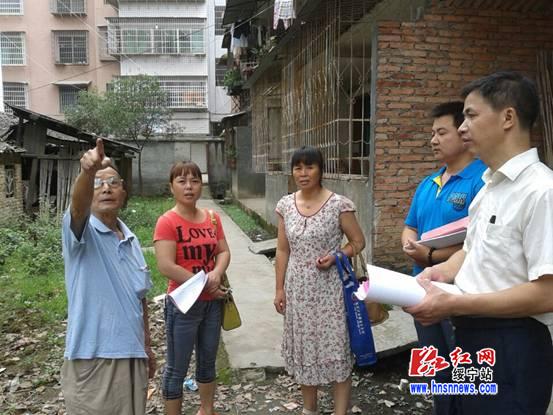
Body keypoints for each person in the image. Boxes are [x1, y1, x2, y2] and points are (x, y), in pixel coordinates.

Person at [406, 71, 553, 414]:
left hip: (513, 341)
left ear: (507, 118)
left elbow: (547, 293)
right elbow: (471, 250)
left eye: (471, 115)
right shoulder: (489, 187)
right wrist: (440, 273)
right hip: (471, 335)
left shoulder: (541, 191)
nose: (462, 128)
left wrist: (455, 304)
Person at [401, 102, 486, 415]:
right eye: (432, 133)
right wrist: (409, 243)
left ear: (463, 133)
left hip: (461, 291)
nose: (433, 140)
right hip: (423, 288)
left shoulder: (482, 181)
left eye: (441, 133)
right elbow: (411, 225)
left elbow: (480, 241)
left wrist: (432, 255)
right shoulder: (429, 183)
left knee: (466, 369)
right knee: (436, 364)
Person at [61, 138, 155, 415]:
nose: (106, 188)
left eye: (113, 182)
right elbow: (77, 208)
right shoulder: (80, 233)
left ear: (124, 192)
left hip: (133, 355)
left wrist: (147, 347)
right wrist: (86, 173)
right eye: (97, 184)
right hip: (93, 358)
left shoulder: (131, 239)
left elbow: (140, 299)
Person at [273, 146, 366, 415]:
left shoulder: (339, 205)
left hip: (331, 290)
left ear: (321, 170)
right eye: (298, 167)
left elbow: (358, 242)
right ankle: (309, 409)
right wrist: (279, 288)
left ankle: (340, 411)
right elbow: (282, 250)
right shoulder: (285, 205)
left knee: (336, 346)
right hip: (298, 289)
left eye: (310, 167)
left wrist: (337, 255)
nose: (303, 173)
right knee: (305, 347)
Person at [154, 161, 230, 415]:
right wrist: (205, 283)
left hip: (212, 304)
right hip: (182, 305)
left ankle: (207, 410)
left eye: (195, 181)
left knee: (207, 362)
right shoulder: (167, 222)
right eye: (182, 181)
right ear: (171, 187)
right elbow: (166, 265)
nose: (189, 187)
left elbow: (223, 251)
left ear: (201, 186)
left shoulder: (212, 218)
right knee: (177, 368)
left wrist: (216, 273)